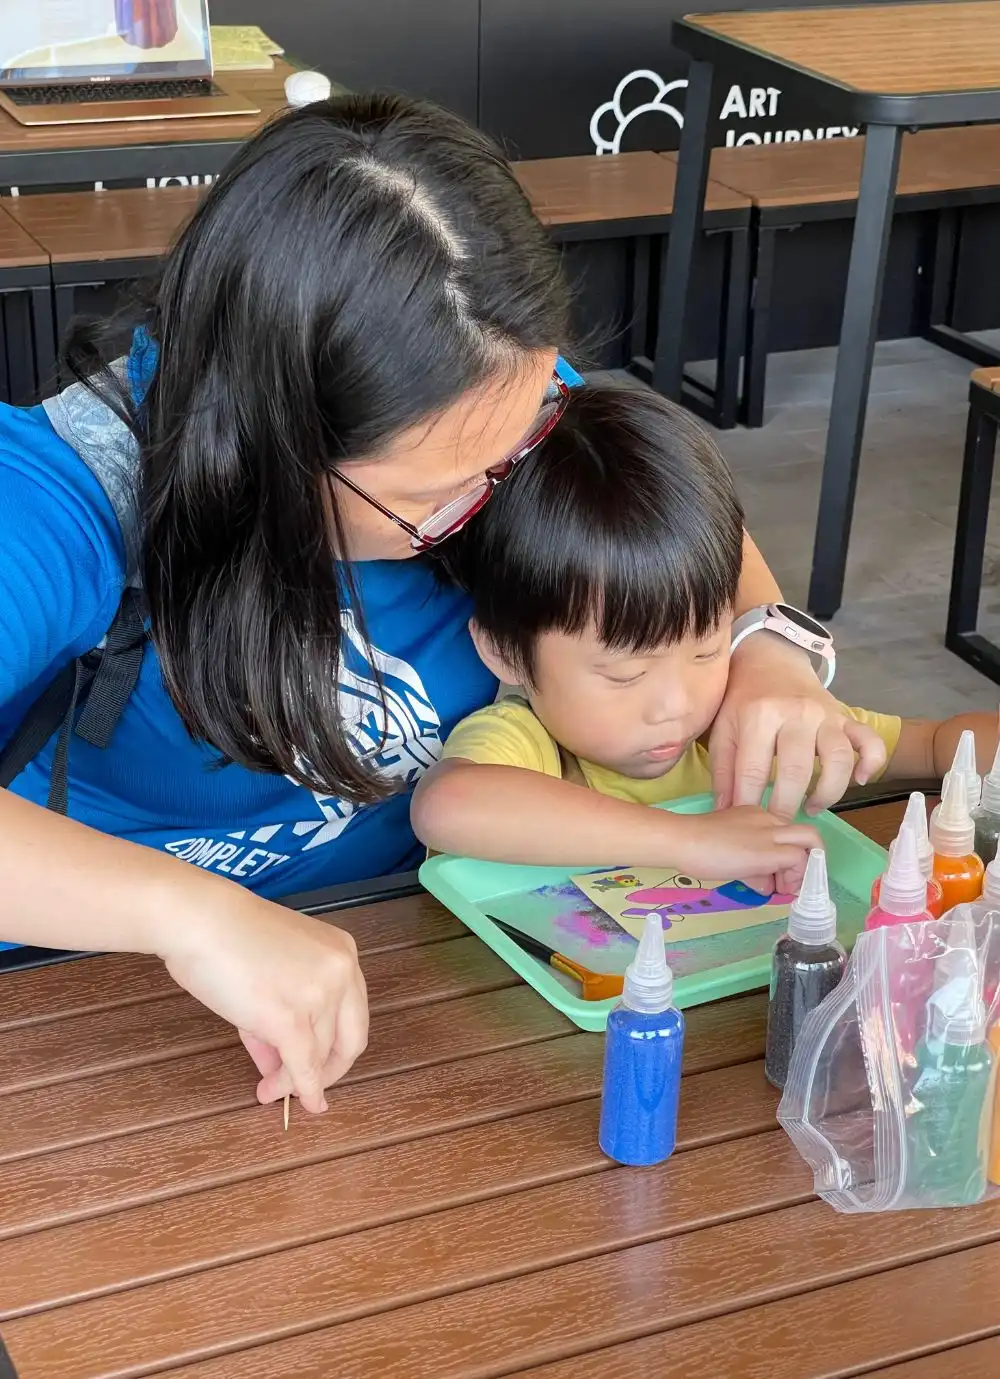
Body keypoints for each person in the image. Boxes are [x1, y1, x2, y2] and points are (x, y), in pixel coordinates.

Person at [0, 95, 879, 1115]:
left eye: (519, 450)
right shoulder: (65, 495)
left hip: (442, 947)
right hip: (94, 1004)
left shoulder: (487, 384)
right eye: (432, 502)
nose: (489, 504)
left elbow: (665, 513)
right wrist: (187, 911)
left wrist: (768, 644)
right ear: (273, 441)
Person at [413, 385, 997, 889]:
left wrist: (969, 750)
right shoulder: (527, 742)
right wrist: (689, 839)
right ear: (505, 650)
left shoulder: (740, 723)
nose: (676, 705)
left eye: (707, 649)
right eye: (625, 673)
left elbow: (941, 745)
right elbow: (449, 805)